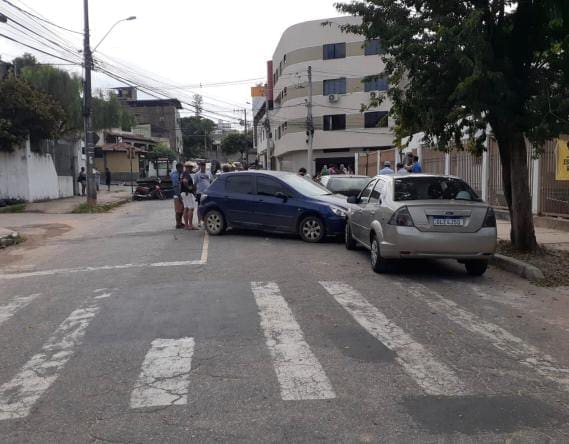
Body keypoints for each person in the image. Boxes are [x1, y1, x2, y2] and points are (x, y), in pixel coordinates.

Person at [181, 162, 197, 230]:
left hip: (183, 192)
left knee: (186, 208)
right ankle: (190, 225)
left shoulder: (184, 173)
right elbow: (185, 181)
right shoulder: (186, 173)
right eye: (190, 167)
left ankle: (186, 225)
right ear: (187, 167)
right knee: (191, 208)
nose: (191, 168)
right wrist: (188, 187)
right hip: (187, 193)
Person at [170, 163, 184, 229]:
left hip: (180, 194)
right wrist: (179, 196)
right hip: (177, 195)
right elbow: (175, 186)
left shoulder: (180, 174)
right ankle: (178, 224)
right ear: (178, 168)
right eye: (182, 167)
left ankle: (180, 222)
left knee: (181, 210)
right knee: (178, 210)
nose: (183, 169)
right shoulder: (175, 175)